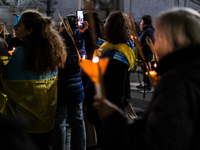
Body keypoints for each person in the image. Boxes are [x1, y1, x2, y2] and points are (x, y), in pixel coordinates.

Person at [93, 7, 200, 150]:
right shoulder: (190, 71)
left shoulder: (176, 82)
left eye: (157, 38)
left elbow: (154, 144)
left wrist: (113, 118)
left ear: (169, 40)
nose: (154, 45)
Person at [0, 10, 66, 150]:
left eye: (20, 25)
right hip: (46, 121)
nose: (16, 28)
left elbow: (6, 82)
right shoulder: (50, 51)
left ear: (29, 30)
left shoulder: (21, 53)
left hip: (25, 123)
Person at [85, 11, 135, 148]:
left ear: (110, 27)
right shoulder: (126, 47)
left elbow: (102, 86)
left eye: (106, 21)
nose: (104, 23)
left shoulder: (111, 56)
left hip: (104, 109)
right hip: (115, 107)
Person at [52, 14, 87, 150]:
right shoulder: (82, 40)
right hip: (77, 87)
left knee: (59, 122)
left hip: (61, 87)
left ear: (64, 26)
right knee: (78, 122)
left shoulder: (59, 41)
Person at [136, 15, 154, 92]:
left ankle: (148, 87)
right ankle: (144, 84)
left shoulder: (149, 30)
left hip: (147, 53)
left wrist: (141, 48)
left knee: (148, 70)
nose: (141, 22)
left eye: (142, 21)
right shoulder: (144, 30)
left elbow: (148, 42)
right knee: (144, 70)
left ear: (145, 22)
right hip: (144, 53)